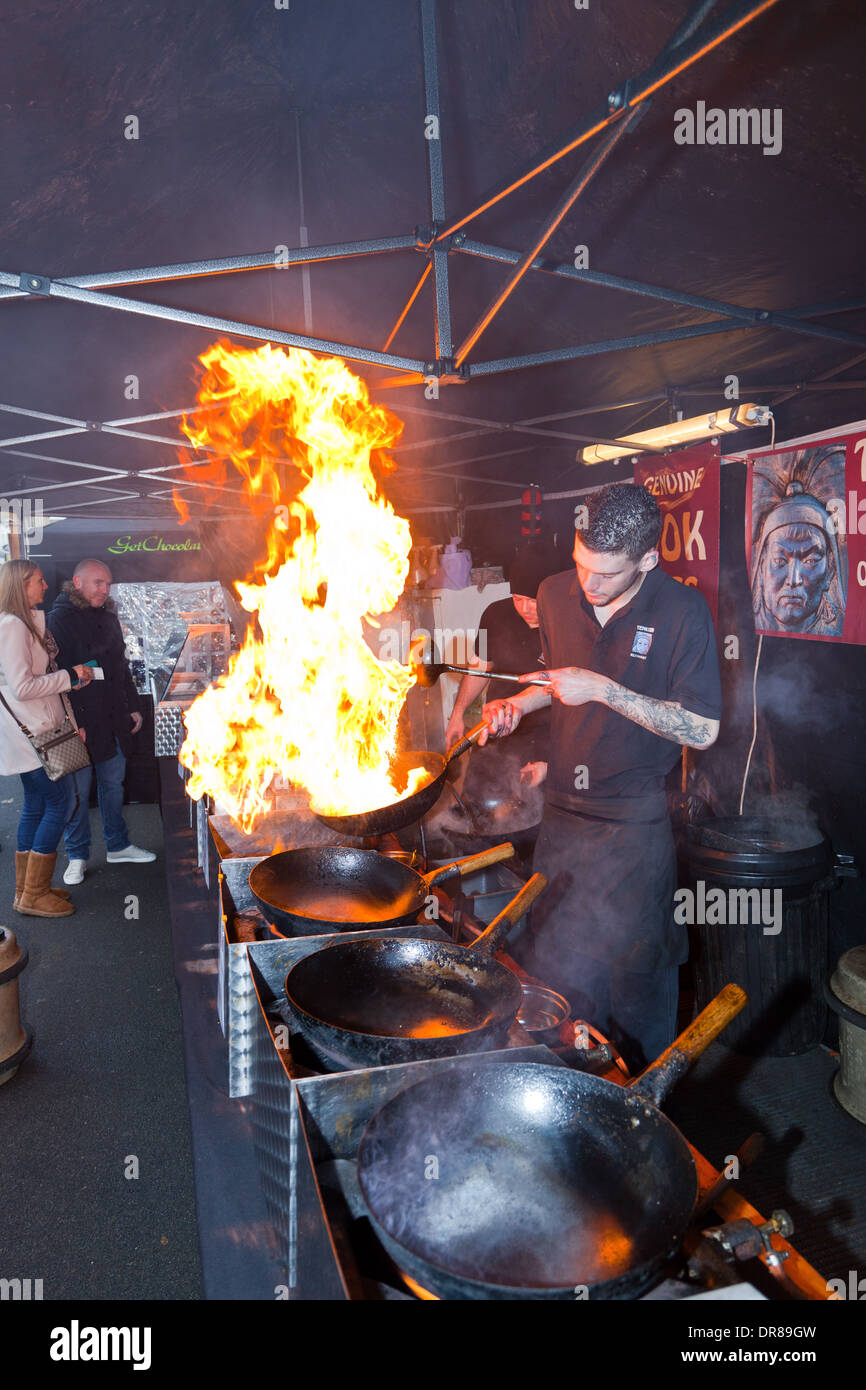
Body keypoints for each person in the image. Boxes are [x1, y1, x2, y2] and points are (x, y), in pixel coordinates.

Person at [480, 484, 722, 1070]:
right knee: (559, 981)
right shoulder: (554, 592)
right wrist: (518, 703)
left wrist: (606, 690)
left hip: (634, 827)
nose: (588, 585)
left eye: (606, 575)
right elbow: (554, 679)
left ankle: (643, 1116)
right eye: (582, 564)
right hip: (563, 820)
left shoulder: (683, 612)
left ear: (647, 560)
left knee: (638, 986)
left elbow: (701, 730)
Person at [46, 559, 155, 883]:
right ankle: (77, 856)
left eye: (108, 583)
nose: (105, 589)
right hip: (78, 724)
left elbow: (120, 667)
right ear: (77, 583)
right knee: (77, 795)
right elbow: (54, 678)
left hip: (111, 720)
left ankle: (118, 845)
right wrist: (68, 722)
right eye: (98, 583)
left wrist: (133, 706)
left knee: (112, 786)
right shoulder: (57, 620)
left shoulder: (108, 615)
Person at [0, 560, 94, 917]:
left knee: (37, 805)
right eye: (38, 581)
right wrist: (70, 675)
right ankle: (33, 894)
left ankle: (27, 889)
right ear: (21, 586)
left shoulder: (20, 623)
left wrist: (67, 686)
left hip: (35, 732)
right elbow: (23, 687)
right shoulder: (12, 626)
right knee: (60, 803)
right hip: (34, 735)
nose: (45, 586)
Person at [444, 540, 560, 791]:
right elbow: (478, 668)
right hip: (495, 726)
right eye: (518, 599)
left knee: (530, 814)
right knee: (476, 802)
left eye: (535, 600)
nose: (526, 609)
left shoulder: (567, 623)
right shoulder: (494, 614)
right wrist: (457, 715)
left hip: (545, 736)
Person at [751, 480, 845, 635]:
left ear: (830, 570)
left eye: (810, 561)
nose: (794, 580)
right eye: (780, 561)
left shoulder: (836, 629)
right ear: (761, 567)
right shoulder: (744, 623)